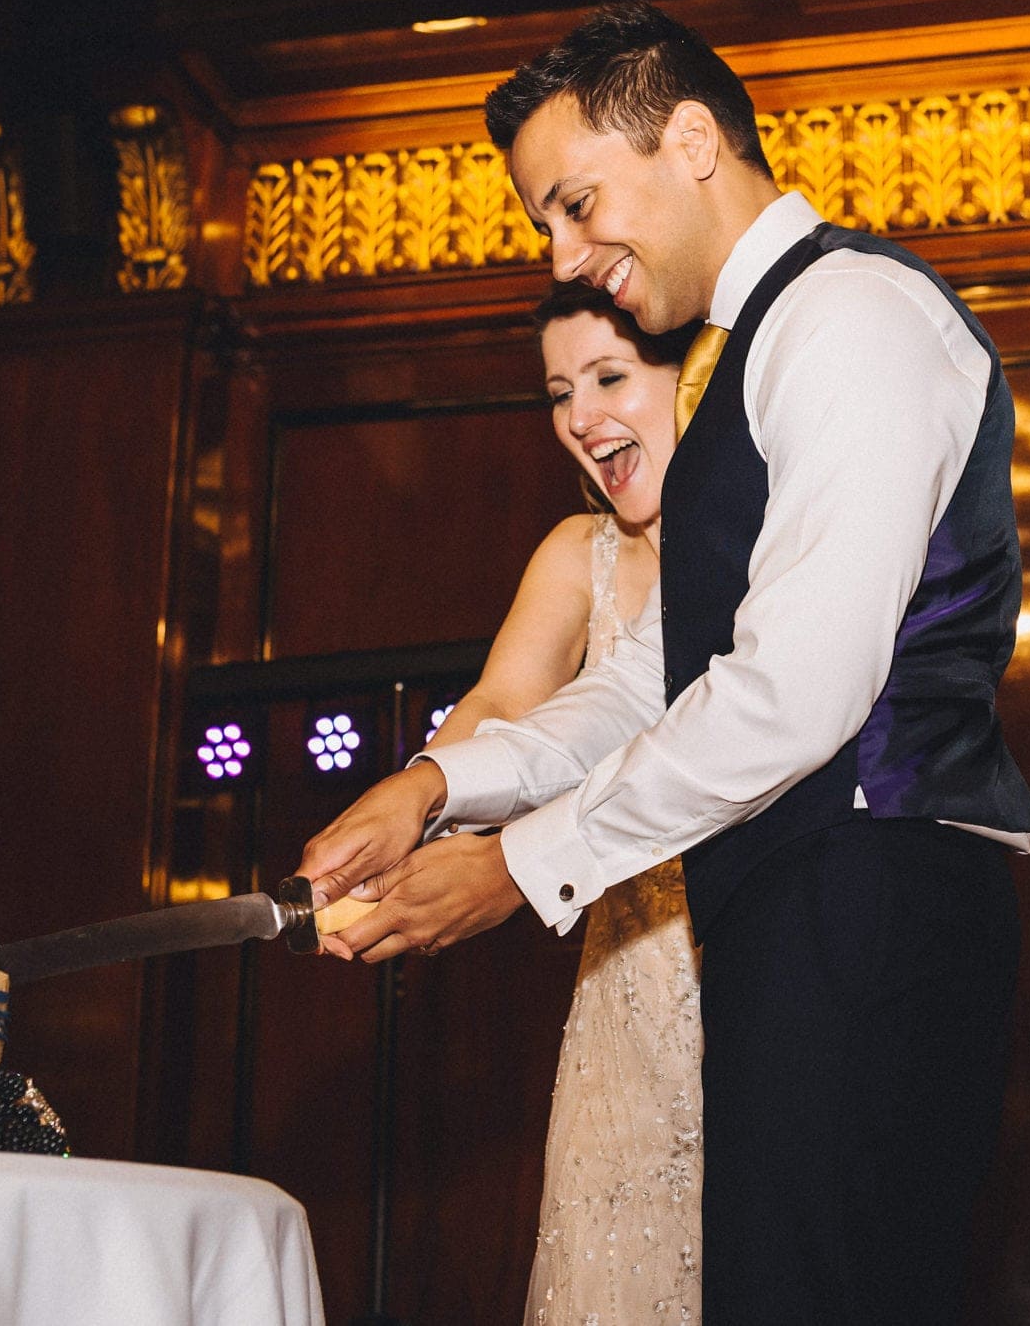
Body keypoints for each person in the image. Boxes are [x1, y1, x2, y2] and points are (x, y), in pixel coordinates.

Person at [301, 1, 1030, 1324]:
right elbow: (660, 679)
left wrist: (519, 867)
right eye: (547, 223)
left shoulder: (851, 317)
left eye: (577, 203)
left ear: (692, 141)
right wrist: (436, 788)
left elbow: (799, 690)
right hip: (792, 898)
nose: (569, 254)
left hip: (870, 886)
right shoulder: (738, 365)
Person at [424, 281, 700, 1324]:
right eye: (557, 391)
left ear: (691, 380)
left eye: (609, 376)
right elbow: (502, 700)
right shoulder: (572, 552)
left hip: (749, 939)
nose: (580, 415)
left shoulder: (764, 535)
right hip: (624, 969)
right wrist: (411, 811)